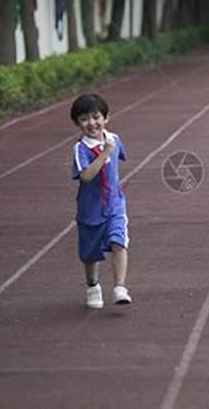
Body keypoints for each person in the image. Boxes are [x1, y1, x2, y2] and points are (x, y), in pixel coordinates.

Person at [70, 93, 132, 308]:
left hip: (114, 204)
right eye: (84, 119)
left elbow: (120, 158)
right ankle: (93, 285)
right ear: (77, 123)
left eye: (96, 117)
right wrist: (104, 154)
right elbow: (86, 176)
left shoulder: (114, 139)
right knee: (90, 254)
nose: (92, 123)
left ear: (106, 118)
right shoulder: (81, 149)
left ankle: (120, 287)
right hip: (90, 210)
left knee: (118, 242)